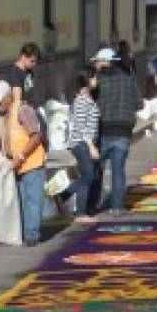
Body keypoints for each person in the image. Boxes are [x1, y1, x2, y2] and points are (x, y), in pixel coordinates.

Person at [91, 47, 143, 215]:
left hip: (104, 129)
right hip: (124, 129)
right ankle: (117, 206)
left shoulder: (98, 79)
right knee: (118, 169)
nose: (96, 65)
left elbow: (90, 103)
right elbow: (139, 104)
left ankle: (92, 204)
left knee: (96, 167)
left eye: (97, 61)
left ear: (105, 62)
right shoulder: (129, 78)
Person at [0, 80, 46, 245]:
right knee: (21, 201)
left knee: (32, 200)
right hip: (16, 165)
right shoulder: (4, 115)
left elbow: (36, 136)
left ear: (8, 97)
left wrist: (22, 156)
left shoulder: (23, 110)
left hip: (31, 162)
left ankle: (32, 235)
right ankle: (25, 233)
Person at [59, 71, 101, 223]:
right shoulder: (82, 101)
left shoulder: (88, 99)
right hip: (81, 143)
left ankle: (63, 196)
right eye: (94, 78)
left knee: (90, 176)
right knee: (88, 176)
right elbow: (81, 126)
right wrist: (91, 146)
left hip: (86, 143)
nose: (97, 80)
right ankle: (80, 213)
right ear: (87, 81)